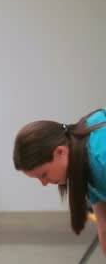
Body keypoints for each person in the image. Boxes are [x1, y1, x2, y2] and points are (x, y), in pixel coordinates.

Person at [13, 108, 106, 255]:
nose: (44, 183)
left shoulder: (101, 159)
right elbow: (104, 226)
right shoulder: (81, 155)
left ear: (60, 152)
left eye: (44, 174)